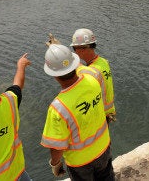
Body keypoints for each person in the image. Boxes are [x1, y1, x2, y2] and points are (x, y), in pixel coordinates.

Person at [40, 44, 115, 180]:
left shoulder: (58, 107)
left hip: (81, 162)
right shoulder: (94, 78)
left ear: (54, 75)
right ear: (74, 65)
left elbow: (56, 147)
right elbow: (82, 68)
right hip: (103, 148)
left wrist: (55, 164)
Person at [70, 28, 116, 123]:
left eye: (74, 48)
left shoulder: (90, 72)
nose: (74, 52)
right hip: (108, 112)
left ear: (83, 49)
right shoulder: (103, 61)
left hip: (100, 116)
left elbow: (78, 67)